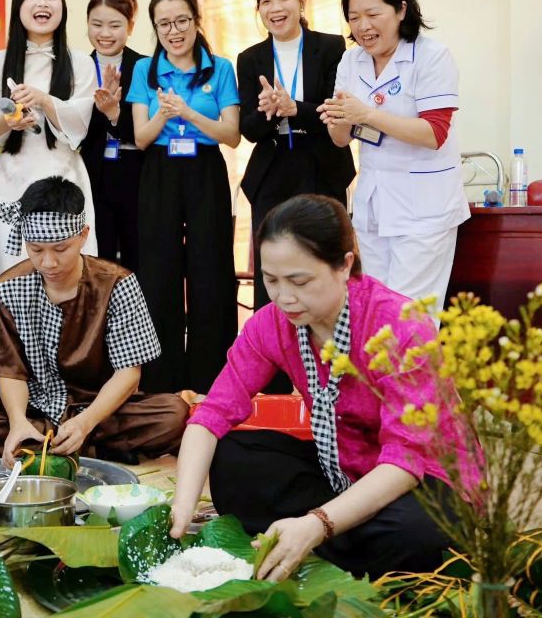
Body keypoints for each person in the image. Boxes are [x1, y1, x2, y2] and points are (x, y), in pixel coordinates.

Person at [171, 195, 470, 580]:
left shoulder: (400, 328)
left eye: (299, 281)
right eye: (271, 280)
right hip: (341, 472)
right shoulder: (272, 323)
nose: (284, 298)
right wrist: (182, 507)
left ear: (344, 265)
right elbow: (211, 415)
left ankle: (316, 532)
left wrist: (318, 524)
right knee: (232, 458)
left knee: (421, 530)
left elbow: (404, 463)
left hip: (422, 481)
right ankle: (337, 533)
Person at [0, 177, 187, 463]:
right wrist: (17, 422)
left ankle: (59, 443)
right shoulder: (8, 286)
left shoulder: (117, 283)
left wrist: (85, 422)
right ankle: (87, 447)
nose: (48, 262)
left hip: (100, 409)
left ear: (83, 235)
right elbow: (10, 370)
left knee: (174, 415)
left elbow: (129, 374)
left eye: (60, 249)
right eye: (36, 249)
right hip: (36, 408)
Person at [0, 0, 97, 380]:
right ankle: (11, 376)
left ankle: (69, 372)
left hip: (63, 178)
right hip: (14, 180)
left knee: (67, 271)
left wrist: (42, 99)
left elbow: (80, 123)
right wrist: (11, 120)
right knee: (11, 269)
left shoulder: (80, 62)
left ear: (63, 6)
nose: (42, 4)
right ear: (18, 6)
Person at [318, 0, 469, 310]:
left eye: (373, 15)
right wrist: (337, 119)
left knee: (410, 315)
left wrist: (366, 115)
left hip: (424, 210)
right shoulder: (351, 61)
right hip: (374, 206)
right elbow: (340, 139)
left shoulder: (432, 57)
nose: (363, 26)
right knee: (377, 310)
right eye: (354, 18)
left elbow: (434, 133)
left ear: (401, 10)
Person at [127, 0, 241, 394]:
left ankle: (212, 378)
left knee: (211, 267)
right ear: (155, 28)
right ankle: (161, 380)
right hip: (159, 171)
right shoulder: (145, 70)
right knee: (159, 271)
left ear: (196, 21)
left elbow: (231, 135)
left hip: (205, 169)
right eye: (164, 24)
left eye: (181, 21)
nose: (173, 31)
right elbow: (141, 138)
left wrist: (188, 112)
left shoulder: (221, 68)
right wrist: (165, 113)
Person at [238, 0, 355, 312]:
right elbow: (248, 129)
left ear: (302, 2)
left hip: (321, 168)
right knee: (274, 271)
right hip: (272, 173)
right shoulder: (250, 58)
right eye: (266, 1)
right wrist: (268, 111)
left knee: (321, 262)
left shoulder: (331, 47)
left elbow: (338, 109)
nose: (275, 8)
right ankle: (273, 342)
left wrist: (295, 108)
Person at [80, 0, 147, 270]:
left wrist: (116, 113)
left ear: (130, 26)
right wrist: (101, 109)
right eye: (97, 24)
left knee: (138, 258)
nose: (105, 33)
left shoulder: (144, 66)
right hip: (94, 174)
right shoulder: (79, 67)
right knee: (99, 259)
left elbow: (148, 126)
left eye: (115, 25)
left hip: (136, 175)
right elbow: (75, 127)